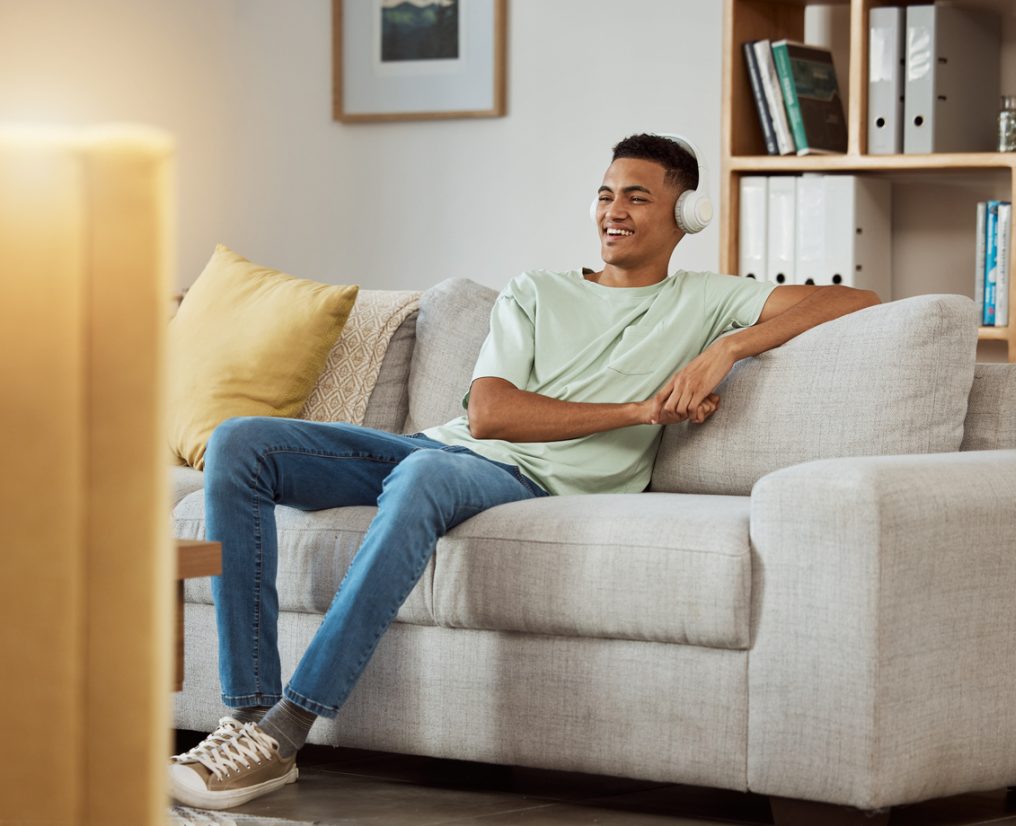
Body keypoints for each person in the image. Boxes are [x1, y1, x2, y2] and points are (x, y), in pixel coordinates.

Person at [168, 132, 880, 810]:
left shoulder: (707, 300)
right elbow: (490, 415)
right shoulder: (537, 290)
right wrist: (640, 410)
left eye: (636, 197)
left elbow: (856, 300)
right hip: (446, 449)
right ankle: (248, 717)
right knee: (241, 441)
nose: (613, 212)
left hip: (529, 483)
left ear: (686, 214)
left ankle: (289, 730)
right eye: (605, 195)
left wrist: (727, 349)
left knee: (422, 482)